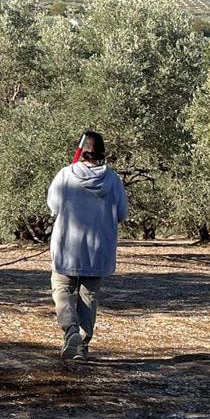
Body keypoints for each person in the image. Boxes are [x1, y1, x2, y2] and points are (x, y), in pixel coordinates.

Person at [46, 131, 128, 361]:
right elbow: (122, 214)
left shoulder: (65, 175)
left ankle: (70, 330)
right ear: (102, 153)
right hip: (98, 250)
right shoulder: (112, 180)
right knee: (88, 296)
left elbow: (53, 206)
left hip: (67, 249)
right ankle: (82, 345)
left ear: (82, 152)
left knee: (62, 289)